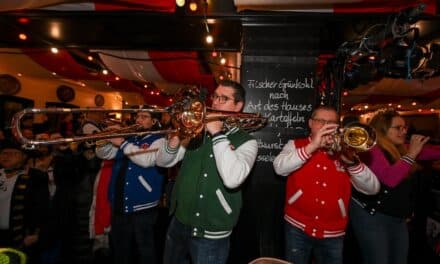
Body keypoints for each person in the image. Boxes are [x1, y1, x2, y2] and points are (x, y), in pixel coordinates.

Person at [156, 80, 258, 264]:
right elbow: (163, 162)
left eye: (224, 98)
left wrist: (217, 134)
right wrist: (178, 134)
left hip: (212, 233)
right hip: (179, 222)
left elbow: (232, 179)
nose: (216, 102)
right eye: (215, 96)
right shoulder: (195, 132)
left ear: (238, 106)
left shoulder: (247, 142)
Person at [272, 106, 380, 264]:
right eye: (320, 121)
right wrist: (312, 147)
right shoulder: (295, 145)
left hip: (333, 232)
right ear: (310, 123)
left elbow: (373, 189)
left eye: (331, 122)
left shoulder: (346, 152)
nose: (326, 126)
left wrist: (351, 162)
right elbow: (279, 168)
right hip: (297, 227)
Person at [349, 109, 440, 264]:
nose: (403, 131)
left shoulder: (400, 147)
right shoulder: (372, 149)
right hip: (373, 216)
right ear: (382, 129)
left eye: (404, 127)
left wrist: (412, 151)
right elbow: (389, 179)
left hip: (396, 217)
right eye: (398, 128)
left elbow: (432, 152)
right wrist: (411, 154)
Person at [95, 108, 165, 264]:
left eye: (144, 117)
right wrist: (105, 139)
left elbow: (146, 160)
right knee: (120, 249)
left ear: (153, 121)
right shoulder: (129, 138)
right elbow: (104, 154)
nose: (138, 120)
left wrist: (121, 142)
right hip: (119, 203)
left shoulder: (159, 139)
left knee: (144, 250)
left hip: (143, 206)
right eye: (137, 116)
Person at [0, 139, 48, 263]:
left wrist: (36, 233)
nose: (7, 156)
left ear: (24, 157)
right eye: (4, 153)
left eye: (13, 153)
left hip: (20, 238)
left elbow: (42, 207)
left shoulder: (35, 177)